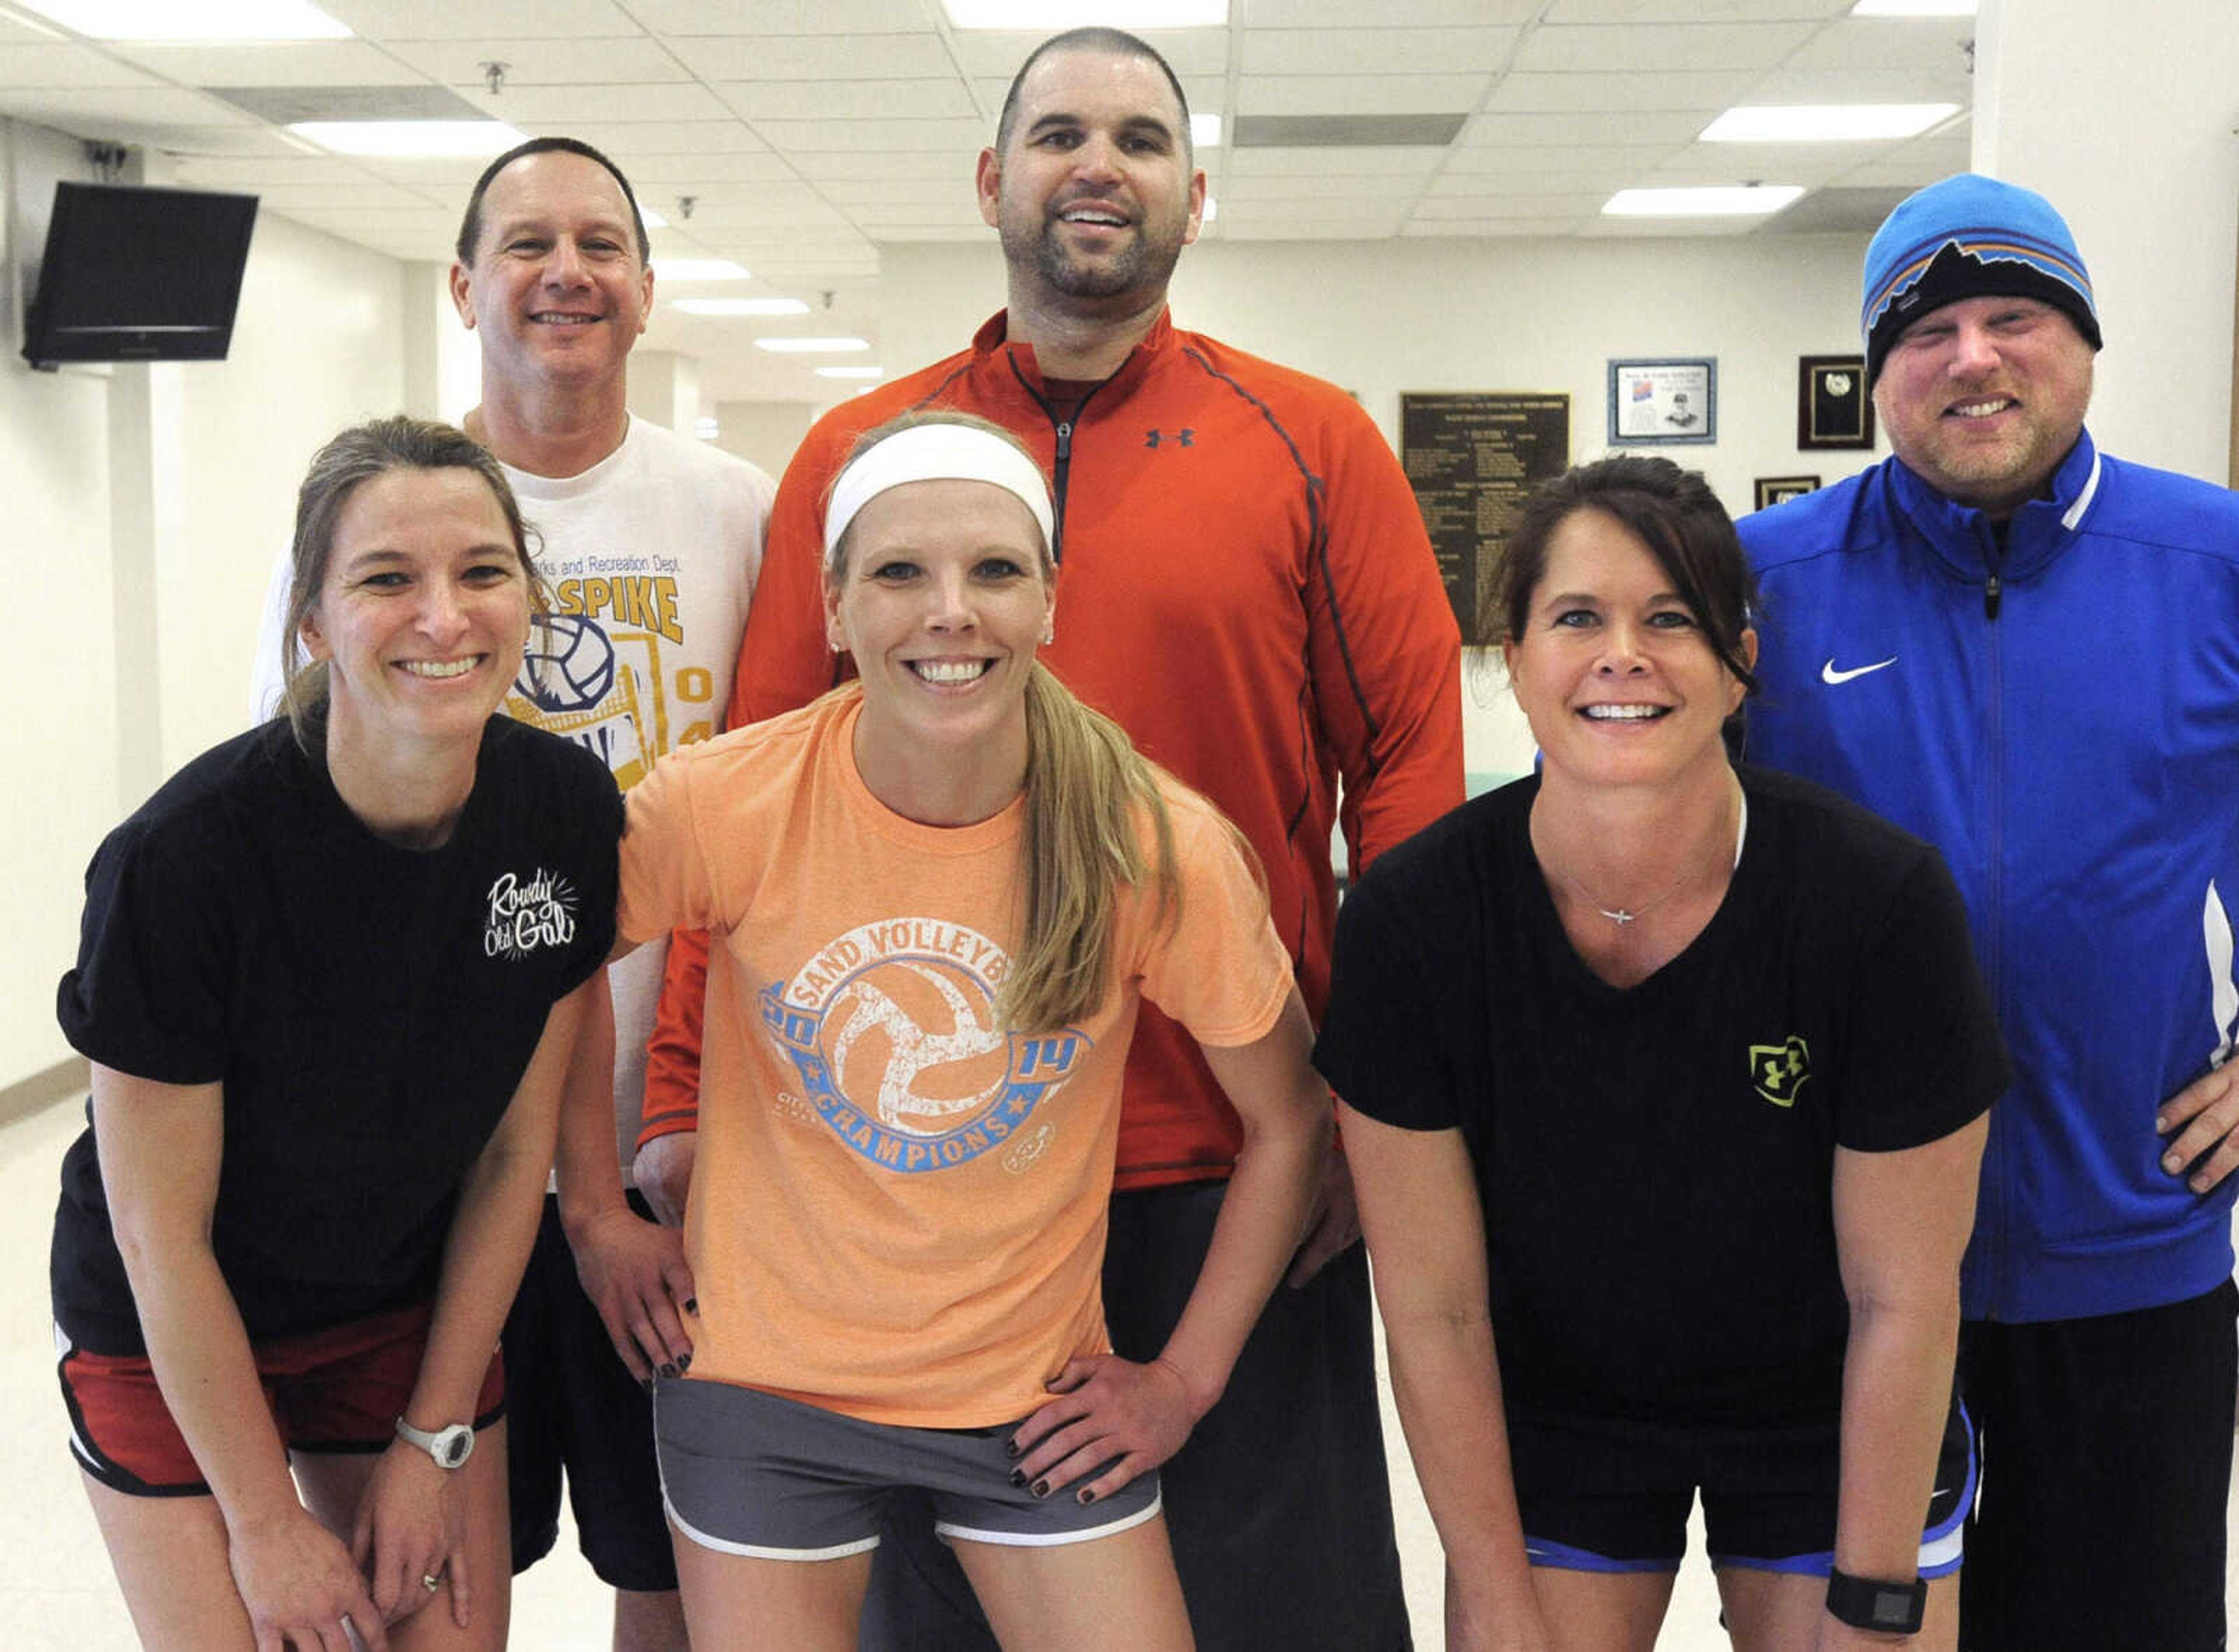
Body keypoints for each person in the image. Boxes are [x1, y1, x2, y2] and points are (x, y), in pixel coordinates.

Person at [634, 29, 1458, 1649]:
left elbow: (1413, 779)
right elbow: (747, 806)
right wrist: (676, 1095)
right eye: (1062, 133)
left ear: (1193, 195)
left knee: (1268, 1614)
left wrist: (1378, 1106)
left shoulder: (1311, 441)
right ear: (992, 180)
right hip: (914, 1185)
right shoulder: (862, 457)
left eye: (1142, 139)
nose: (1101, 164)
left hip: (1233, 1164)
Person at [564, 412, 1331, 1652]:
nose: (949, 611)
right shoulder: (728, 800)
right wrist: (595, 1212)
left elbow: (1290, 1120)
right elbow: (547, 969)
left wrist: (1181, 1382)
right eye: (900, 572)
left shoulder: (1151, 841)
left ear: (1050, 600)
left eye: (994, 570)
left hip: (1026, 1402)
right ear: (832, 608)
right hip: (763, 1391)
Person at [1317, 455, 2007, 1651]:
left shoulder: (1876, 902)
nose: (1622, 653)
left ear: (1740, 665)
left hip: (1822, 1405)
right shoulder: (1413, 917)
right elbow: (1432, 1310)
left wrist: (1874, 1596)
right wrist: (1492, 1596)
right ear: (1514, 660)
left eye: (1671, 619)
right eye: (1577, 616)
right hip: (1558, 1402)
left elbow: (1902, 1296)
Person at [250, 135, 773, 1652]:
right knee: (412, 1565)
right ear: (466, 281)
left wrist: (641, 1158)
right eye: (528, 242)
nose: (568, 271)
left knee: (666, 1564)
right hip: (420, 1155)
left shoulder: (735, 508)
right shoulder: (371, 517)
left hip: (668, 1152)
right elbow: (299, 840)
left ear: (646, 288)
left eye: (602, 242)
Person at [1737, 173, 2239, 1651]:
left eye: (2013, 317)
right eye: (1928, 331)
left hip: (2134, 1252)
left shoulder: (2216, 563)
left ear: (2081, 343)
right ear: (1878, 374)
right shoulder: (1774, 584)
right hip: (1845, 1276)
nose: (1973, 356)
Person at [51, 416, 620, 1651]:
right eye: (385, 579)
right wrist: (263, 1523)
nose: (443, 616)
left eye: (482, 571)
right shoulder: (182, 863)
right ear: (312, 619)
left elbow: (516, 1158)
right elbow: (160, 1235)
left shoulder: (563, 811)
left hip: (393, 1307)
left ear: (529, 594)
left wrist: (432, 1440)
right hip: (173, 1324)